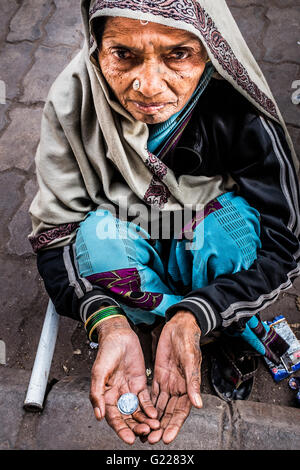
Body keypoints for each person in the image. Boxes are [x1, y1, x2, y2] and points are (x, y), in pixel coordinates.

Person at [28, 0, 300, 446]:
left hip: (209, 224)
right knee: (95, 241)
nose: (148, 87)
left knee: (230, 240)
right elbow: (54, 235)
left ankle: (213, 327)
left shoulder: (236, 105)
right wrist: (105, 320)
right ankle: (137, 323)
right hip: (129, 224)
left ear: (210, 46)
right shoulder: (73, 98)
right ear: (97, 47)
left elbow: (283, 245)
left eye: (178, 54)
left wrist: (197, 315)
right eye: (124, 54)